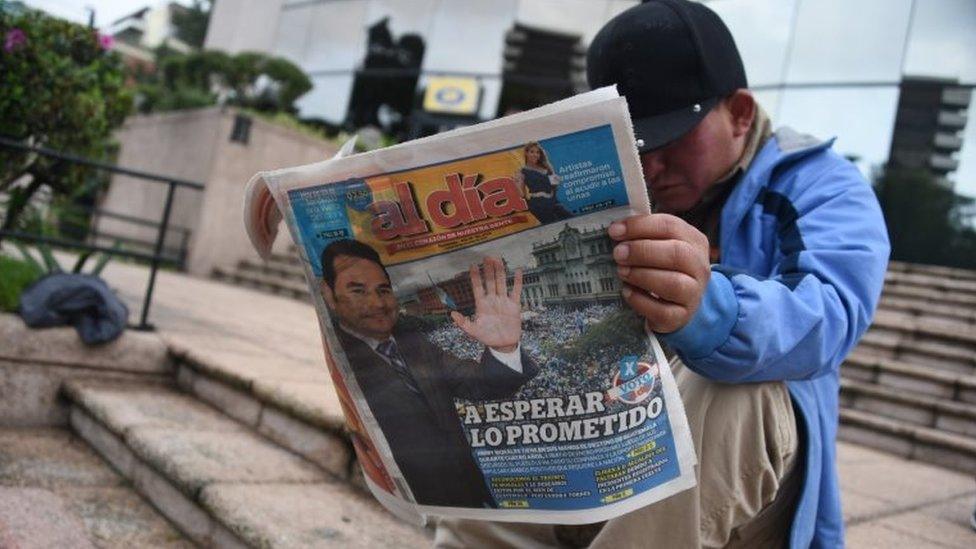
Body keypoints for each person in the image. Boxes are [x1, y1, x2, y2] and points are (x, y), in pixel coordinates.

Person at [435, 0, 889, 547]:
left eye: (672, 140)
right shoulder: (601, 188)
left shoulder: (821, 186)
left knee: (733, 392)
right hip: (606, 450)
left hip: (748, 493)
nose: (651, 166)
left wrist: (710, 309)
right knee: (501, 398)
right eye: (634, 142)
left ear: (740, 113)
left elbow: (831, 313)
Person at [318, 239, 538, 508]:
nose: (377, 303)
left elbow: (480, 384)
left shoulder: (416, 344)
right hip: (396, 506)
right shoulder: (341, 357)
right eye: (358, 290)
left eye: (383, 289)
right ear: (328, 294)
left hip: (469, 497)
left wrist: (504, 347)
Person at [517, 142, 573, 223]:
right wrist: (517, 183)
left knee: (572, 219)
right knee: (554, 227)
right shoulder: (522, 171)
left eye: (538, 152)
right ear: (526, 153)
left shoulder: (545, 166)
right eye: (532, 152)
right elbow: (522, 195)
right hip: (538, 205)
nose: (535, 154)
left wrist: (549, 166)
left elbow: (556, 185)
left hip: (553, 201)